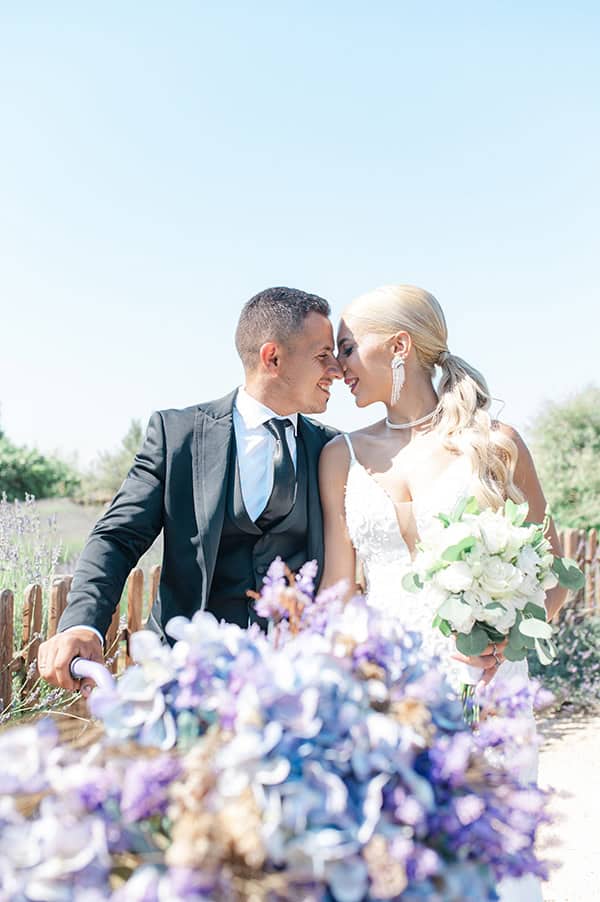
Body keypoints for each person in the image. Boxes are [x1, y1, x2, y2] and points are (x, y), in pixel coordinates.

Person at [318, 284, 567, 902]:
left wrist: (507, 640)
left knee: (492, 860)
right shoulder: (338, 457)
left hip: (487, 691)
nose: (337, 365)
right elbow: (339, 591)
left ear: (399, 346)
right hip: (388, 695)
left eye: (348, 347)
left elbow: (554, 569)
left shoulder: (495, 444)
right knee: (399, 869)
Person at [38, 287, 342, 693]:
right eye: (323, 355)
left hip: (294, 684)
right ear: (273, 357)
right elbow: (118, 536)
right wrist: (82, 623)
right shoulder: (177, 435)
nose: (337, 369)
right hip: (184, 674)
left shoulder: (332, 450)